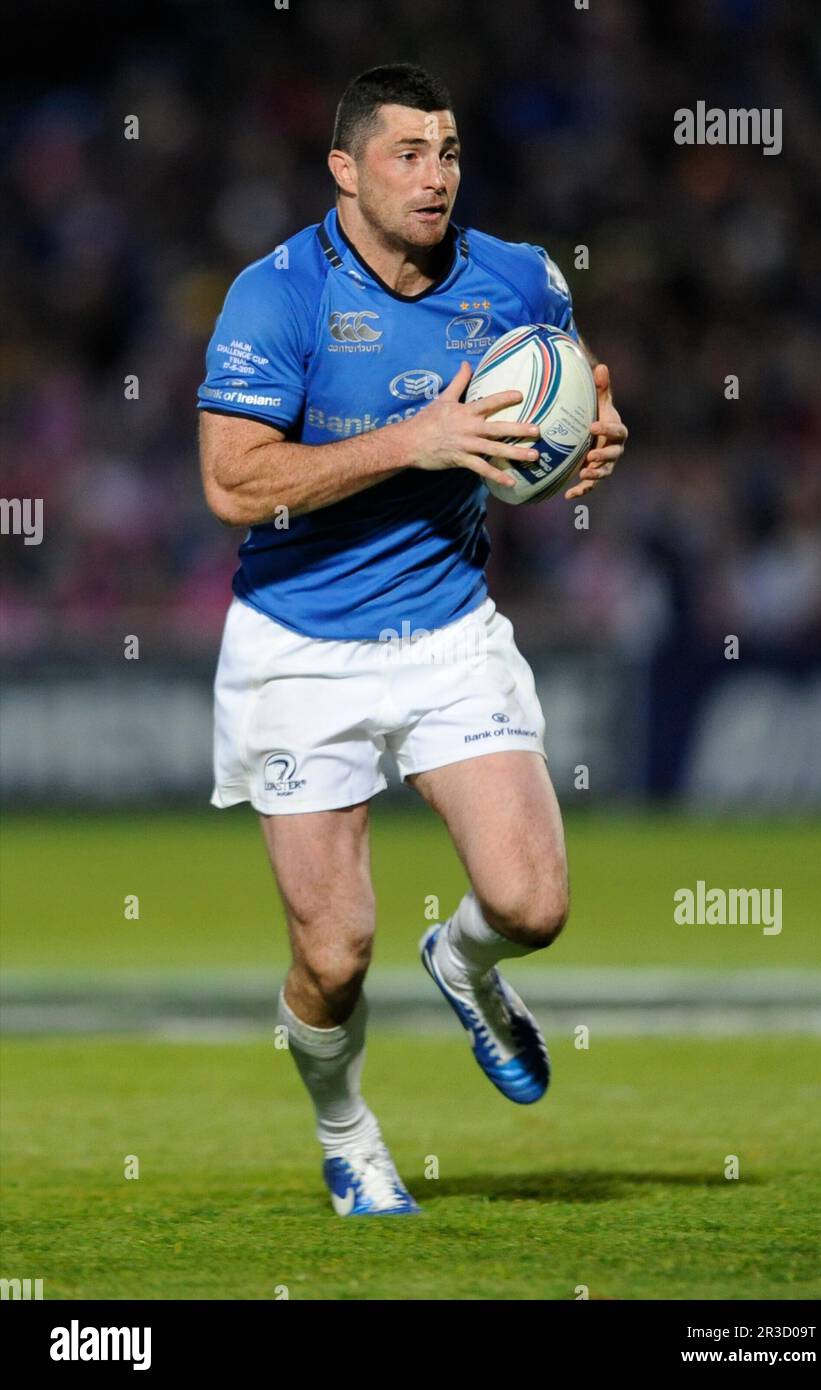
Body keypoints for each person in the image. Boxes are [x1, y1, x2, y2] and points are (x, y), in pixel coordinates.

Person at [197, 63, 627, 1216]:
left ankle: (464, 962)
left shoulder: (518, 277)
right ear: (343, 170)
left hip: (445, 630)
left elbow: (571, 389)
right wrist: (412, 439)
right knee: (333, 956)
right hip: (298, 647)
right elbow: (233, 484)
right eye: (405, 154)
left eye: (445, 152)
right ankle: (347, 1134)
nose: (434, 176)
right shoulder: (273, 294)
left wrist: (587, 433)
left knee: (532, 903)